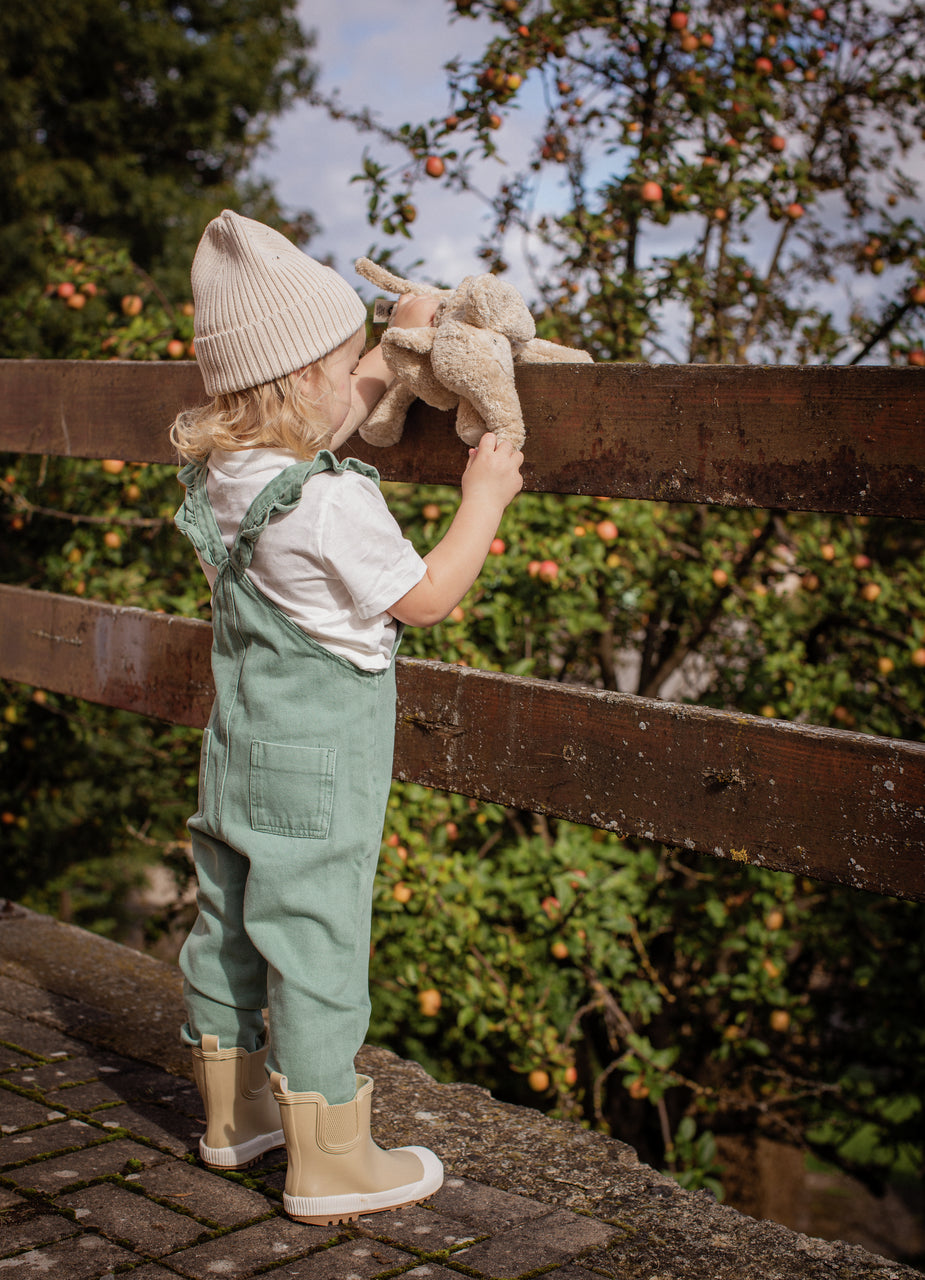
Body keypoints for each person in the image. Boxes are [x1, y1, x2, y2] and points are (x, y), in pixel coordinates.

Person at [169, 209, 524, 1227]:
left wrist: (385, 344)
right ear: (304, 382)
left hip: (235, 750)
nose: (355, 374)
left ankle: (233, 1116)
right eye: (345, 361)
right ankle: (329, 1159)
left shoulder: (226, 471)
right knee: (316, 940)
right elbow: (425, 596)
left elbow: (312, 420)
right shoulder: (330, 501)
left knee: (228, 919)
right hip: (317, 765)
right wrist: (484, 498)